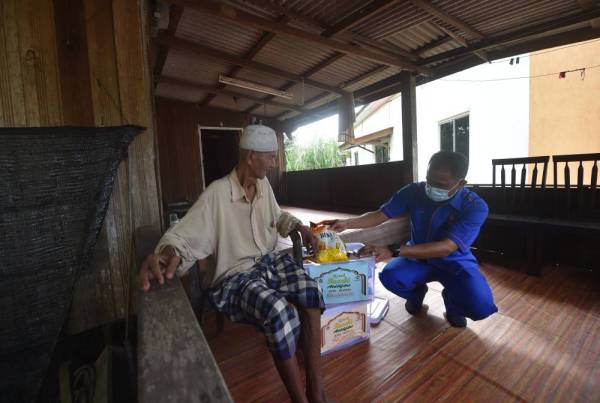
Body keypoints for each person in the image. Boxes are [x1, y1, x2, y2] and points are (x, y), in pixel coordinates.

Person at [139, 125, 328, 403]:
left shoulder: (263, 187)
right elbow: (181, 237)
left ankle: (317, 392)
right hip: (234, 277)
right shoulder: (217, 194)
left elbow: (278, 217)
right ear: (251, 156)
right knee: (279, 313)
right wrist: (166, 253)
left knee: (312, 293)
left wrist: (301, 227)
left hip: (268, 264)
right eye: (270, 157)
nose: (275, 164)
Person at [332, 151, 497, 328]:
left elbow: (447, 248)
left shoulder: (474, 207)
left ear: (461, 183)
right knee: (390, 275)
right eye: (429, 180)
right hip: (417, 257)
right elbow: (380, 215)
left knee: (480, 304)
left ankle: (453, 303)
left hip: (453, 261)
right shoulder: (414, 191)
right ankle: (416, 294)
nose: (431, 187)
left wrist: (394, 250)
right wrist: (347, 223)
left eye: (440, 185)